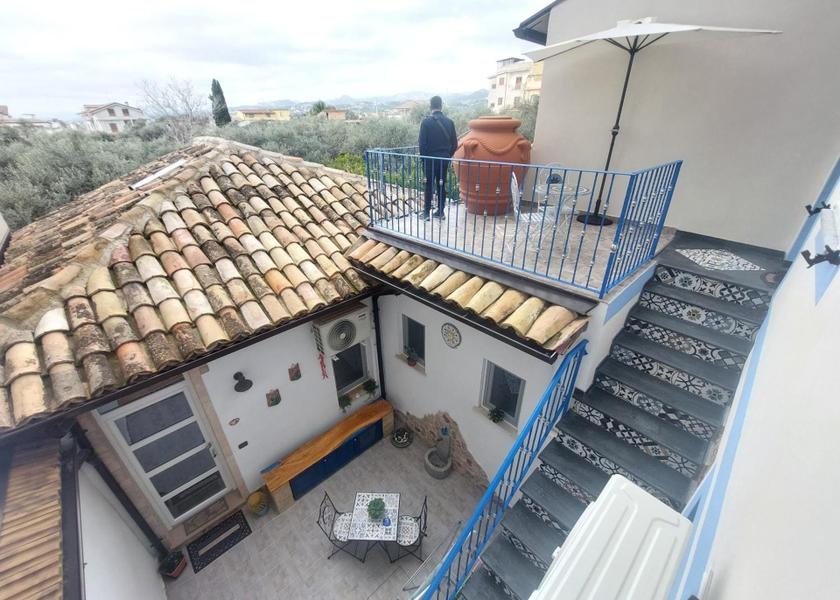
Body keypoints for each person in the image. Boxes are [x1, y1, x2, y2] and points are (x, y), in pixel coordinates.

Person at [418, 96, 457, 220]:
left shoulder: (426, 122)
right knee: (441, 184)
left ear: (431, 106)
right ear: (441, 106)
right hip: (443, 160)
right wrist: (447, 156)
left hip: (429, 160)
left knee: (428, 185)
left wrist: (424, 159)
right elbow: (454, 144)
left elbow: (422, 144)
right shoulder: (449, 122)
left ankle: (426, 213)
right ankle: (440, 212)